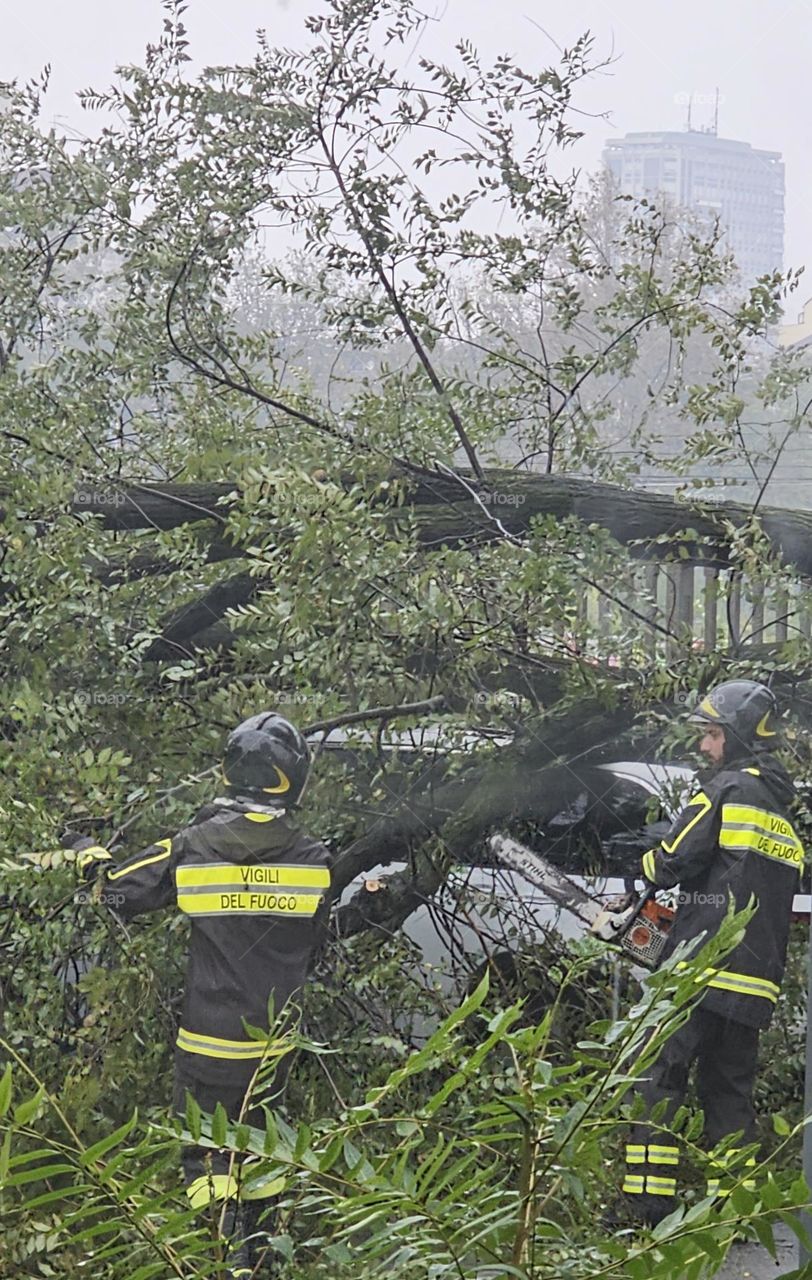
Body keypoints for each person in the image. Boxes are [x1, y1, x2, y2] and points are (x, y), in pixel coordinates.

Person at [75, 712, 332, 1276]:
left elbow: (114, 894)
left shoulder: (191, 845)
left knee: (205, 1155)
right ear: (294, 778)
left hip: (207, 1044)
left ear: (229, 772)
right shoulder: (315, 859)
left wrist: (86, 852)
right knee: (264, 1149)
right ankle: (261, 1260)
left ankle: (216, 1260)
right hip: (273, 1051)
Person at [621, 680, 803, 1225]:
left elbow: (673, 862)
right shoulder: (781, 814)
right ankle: (734, 1210)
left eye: (711, 735)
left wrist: (644, 862)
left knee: (657, 1080)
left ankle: (647, 1209)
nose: (704, 747)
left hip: (700, 972)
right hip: (755, 985)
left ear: (738, 737)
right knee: (729, 1095)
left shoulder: (725, 790)